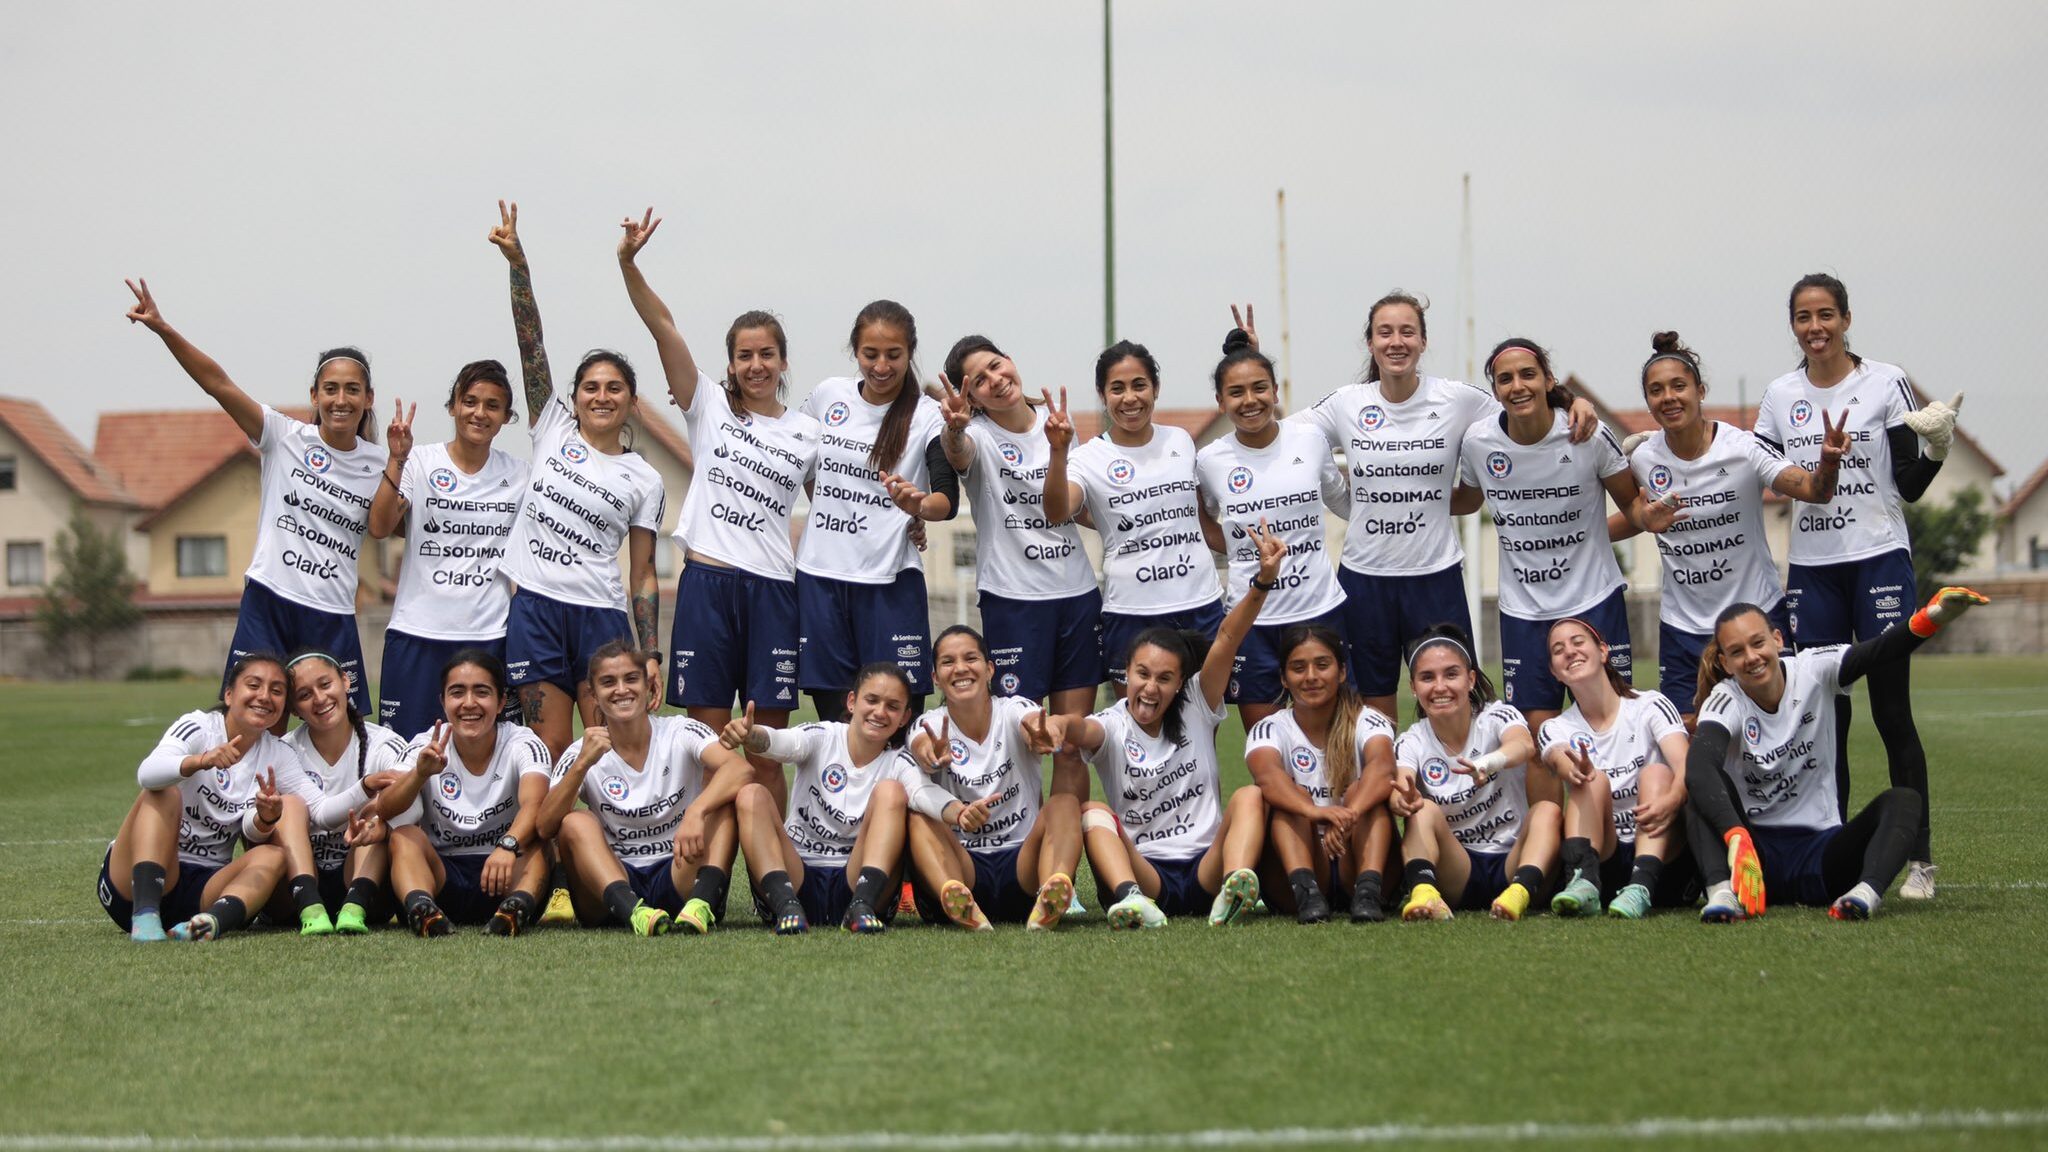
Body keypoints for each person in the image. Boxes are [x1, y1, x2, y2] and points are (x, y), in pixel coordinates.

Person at [1753, 273, 1964, 900]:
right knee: (1823, 716)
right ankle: (1834, 848)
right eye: (1802, 317)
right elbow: (1763, 471)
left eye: (1825, 315)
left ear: (1846, 318)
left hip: (1879, 562)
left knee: (1891, 709)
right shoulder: (1778, 395)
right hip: (1813, 573)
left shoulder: (1884, 381)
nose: (1815, 328)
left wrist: (1937, 449)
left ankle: (1919, 860)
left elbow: (1909, 483)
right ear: (1792, 325)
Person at [1296, 294, 1598, 718]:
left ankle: (1453, 785)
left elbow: (1524, 403)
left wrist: (1572, 402)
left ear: (1423, 341)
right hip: (1365, 581)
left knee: (1454, 705)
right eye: (1385, 332)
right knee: (1370, 713)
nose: (1396, 341)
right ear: (1370, 343)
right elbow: (1282, 434)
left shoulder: (1457, 399)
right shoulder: (1346, 402)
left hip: (1435, 578)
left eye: (1407, 331)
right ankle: (1385, 784)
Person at [616, 209, 819, 802]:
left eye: (767, 355)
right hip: (708, 583)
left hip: (775, 594)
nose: (756, 365)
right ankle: (703, 878)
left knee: (764, 748)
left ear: (782, 362)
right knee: (705, 744)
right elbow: (663, 327)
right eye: (745, 355)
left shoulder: (807, 432)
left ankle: (772, 888)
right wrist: (628, 263)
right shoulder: (707, 405)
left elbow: (833, 512)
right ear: (730, 363)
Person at [124, 280, 383, 722]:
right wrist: (164, 329)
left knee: (341, 731)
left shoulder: (382, 463)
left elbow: (393, 526)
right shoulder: (283, 436)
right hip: (269, 599)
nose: (341, 400)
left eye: (352, 390)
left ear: (367, 398)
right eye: (331, 389)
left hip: (331, 612)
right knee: (256, 720)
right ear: (315, 396)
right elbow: (218, 383)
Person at [1682, 589, 1985, 922]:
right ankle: (1722, 895)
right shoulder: (1725, 699)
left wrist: (1932, 618)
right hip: (1753, 861)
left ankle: (1863, 896)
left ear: (1778, 638)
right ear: (1725, 663)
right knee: (1699, 790)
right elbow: (1699, 768)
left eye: (1758, 643)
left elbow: (1878, 652)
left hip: (1820, 857)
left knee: (1904, 801)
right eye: (1737, 652)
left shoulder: (1812, 669)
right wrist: (1735, 835)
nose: (1751, 658)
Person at [1037, 524, 1286, 929]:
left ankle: (1233, 887)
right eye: (1142, 674)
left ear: (1179, 684)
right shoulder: (1113, 723)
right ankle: (1131, 900)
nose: (1150, 688)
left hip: (1206, 864)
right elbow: (1081, 730)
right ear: (1128, 673)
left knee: (1250, 797)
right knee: (1094, 811)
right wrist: (1059, 724)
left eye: (1164, 679)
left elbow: (1227, 636)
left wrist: (1261, 582)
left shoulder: (1198, 703)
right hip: (1145, 871)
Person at [489, 201, 665, 762]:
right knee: (550, 747)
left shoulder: (644, 478)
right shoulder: (551, 428)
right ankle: (547, 851)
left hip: (601, 618)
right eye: (591, 386)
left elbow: (641, 574)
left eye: (615, 388)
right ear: (574, 396)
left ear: (631, 403)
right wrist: (519, 264)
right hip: (536, 608)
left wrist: (652, 651)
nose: (602, 396)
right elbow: (530, 344)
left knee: (606, 750)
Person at [1616, 332, 1845, 723]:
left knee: (1778, 728)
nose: (1668, 397)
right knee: (1687, 738)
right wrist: (1575, 536)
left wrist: (1828, 462)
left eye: (1678, 386)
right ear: (1648, 402)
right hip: (1684, 629)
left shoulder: (1742, 448)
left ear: (1700, 391)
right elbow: (1635, 518)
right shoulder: (1642, 459)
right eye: (1656, 391)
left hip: (1755, 619)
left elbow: (1813, 490)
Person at [1458, 337, 1677, 737]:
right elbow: (1467, 501)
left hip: (1594, 602)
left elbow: (1631, 506)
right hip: (1524, 612)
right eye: (1505, 379)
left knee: (1613, 730)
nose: (1517, 386)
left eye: (1528, 374)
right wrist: (1405, 492)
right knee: (1536, 737)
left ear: (1548, 379)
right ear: (1495, 392)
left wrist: (1649, 516)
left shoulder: (1587, 434)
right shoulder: (1478, 443)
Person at [937, 337, 1099, 814]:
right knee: (1019, 741)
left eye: (995, 365)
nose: (995, 380)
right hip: (1013, 603)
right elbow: (958, 450)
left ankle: (1061, 876)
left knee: (1070, 744)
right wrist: (954, 429)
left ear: (1011, 360)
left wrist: (1060, 448)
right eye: (979, 381)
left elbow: (1071, 509)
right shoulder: (978, 437)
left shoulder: (1062, 429)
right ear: (971, 398)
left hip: (1076, 597)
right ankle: (1016, 859)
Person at [720, 663, 976, 934]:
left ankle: (862, 907)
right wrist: (751, 735)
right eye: (872, 700)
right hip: (797, 875)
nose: (880, 712)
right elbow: (781, 742)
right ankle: (786, 908)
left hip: (857, 881)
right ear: (852, 702)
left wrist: (959, 812)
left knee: (891, 791)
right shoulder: (823, 736)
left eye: (892, 706)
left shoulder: (899, 762)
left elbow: (923, 793)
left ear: (904, 717)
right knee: (751, 795)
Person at [796, 301, 959, 721]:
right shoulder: (827, 395)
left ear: (910, 353)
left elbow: (946, 498)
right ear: (855, 351)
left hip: (891, 583)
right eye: (871, 354)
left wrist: (917, 505)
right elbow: (790, 453)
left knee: (898, 719)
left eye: (893, 355)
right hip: (821, 579)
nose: (881, 366)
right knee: (836, 724)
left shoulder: (926, 416)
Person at [1197, 322, 1349, 731]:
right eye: (1236, 392)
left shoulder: (1310, 441)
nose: (1250, 400)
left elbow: (1344, 500)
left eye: (1259, 388)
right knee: (1266, 746)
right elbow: (1202, 520)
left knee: (1335, 742)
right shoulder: (1209, 460)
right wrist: (1241, 551)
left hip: (1319, 611)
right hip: (1251, 624)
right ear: (1220, 400)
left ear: (1275, 391)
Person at [533, 641, 743, 936]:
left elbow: (740, 769)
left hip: (679, 871)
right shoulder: (582, 751)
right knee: (575, 821)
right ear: (593, 694)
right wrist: (582, 765)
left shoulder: (680, 731)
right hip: (613, 885)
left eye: (631, 679)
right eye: (608, 682)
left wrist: (697, 810)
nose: (621, 690)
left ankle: (701, 904)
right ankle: (635, 912)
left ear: (649, 686)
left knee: (724, 799)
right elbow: (545, 826)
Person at [1045, 340, 1223, 685]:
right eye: (1117, 388)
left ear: (1155, 389)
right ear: (1103, 395)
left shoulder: (1181, 441)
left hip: (1199, 605)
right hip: (1131, 613)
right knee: (1136, 730)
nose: (1130, 398)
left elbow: (1202, 522)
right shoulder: (1088, 458)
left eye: (1139, 385)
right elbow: (1057, 512)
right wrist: (1057, 453)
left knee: (1200, 725)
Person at [367, 360, 528, 739]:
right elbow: (379, 527)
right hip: (417, 633)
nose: (479, 413)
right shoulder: (419, 461)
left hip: (489, 635)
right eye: (469, 401)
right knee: (403, 756)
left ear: (506, 417)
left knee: (488, 758)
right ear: (453, 405)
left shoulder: (521, 475)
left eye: (492, 405)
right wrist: (396, 458)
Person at [96, 653, 296, 942]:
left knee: (273, 855)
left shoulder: (279, 754)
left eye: (277, 691)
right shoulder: (200, 726)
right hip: (134, 882)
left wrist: (266, 817)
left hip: (205, 887)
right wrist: (201, 760)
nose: (264, 696)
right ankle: (146, 916)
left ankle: (208, 924)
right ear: (229, 694)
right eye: (254, 685)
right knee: (164, 791)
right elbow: (147, 773)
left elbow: (316, 807)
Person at [901, 625, 1083, 931]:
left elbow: (1031, 723)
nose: (960, 668)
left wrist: (1041, 733)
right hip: (964, 867)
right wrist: (931, 754)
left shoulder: (1013, 707)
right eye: (947, 662)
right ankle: (956, 900)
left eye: (970, 658)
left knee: (1064, 802)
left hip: (1023, 866)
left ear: (989, 670)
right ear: (935, 677)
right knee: (917, 817)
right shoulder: (930, 724)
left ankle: (1050, 894)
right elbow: (921, 746)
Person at [377, 650, 555, 936]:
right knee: (403, 836)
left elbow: (535, 804)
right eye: (457, 693)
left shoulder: (523, 742)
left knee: (538, 841)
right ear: (443, 702)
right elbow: (384, 808)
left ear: (500, 703)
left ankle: (514, 910)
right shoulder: (425, 744)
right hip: (442, 875)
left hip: (504, 870)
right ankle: (422, 909)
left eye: (482, 692)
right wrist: (419, 774)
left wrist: (508, 845)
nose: (469, 704)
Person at [1391, 625, 1561, 921]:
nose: (1440, 686)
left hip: (1513, 859)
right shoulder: (1412, 740)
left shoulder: (1495, 716)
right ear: (1413, 688)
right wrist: (1401, 799)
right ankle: (1424, 893)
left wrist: (1488, 763)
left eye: (1451, 674)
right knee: (1422, 811)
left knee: (1547, 810)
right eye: (1427, 677)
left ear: (1470, 680)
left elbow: (1523, 745)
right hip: (1458, 869)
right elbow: (1400, 784)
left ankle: (1520, 894)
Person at [1534, 619, 1693, 920]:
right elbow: (1556, 755)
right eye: (1558, 650)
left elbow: (1686, 764)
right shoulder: (1554, 727)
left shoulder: (1650, 705)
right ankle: (1583, 881)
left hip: (1664, 861)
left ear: (1603, 651)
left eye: (1578, 642)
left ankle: (1641, 886)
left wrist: (1672, 800)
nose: (1569, 651)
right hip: (1606, 862)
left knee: (1657, 774)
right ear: (1555, 672)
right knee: (1591, 779)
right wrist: (1573, 769)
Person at [1243, 625, 1398, 923]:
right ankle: (1308, 895)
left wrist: (1349, 814)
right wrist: (1315, 813)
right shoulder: (1271, 728)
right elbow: (1268, 778)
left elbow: (1383, 768)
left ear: (1341, 672)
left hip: (1356, 850)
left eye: (1322, 665)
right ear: (1283, 679)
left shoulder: (1369, 720)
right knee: (1291, 799)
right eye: (1298, 668)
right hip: (1302, 859)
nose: (1311, 676)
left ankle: (1368, 893)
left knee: (1363, 793)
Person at [278, 650, 414, 933]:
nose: (319, 699)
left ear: (345, 681)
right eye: (304, 695)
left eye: (325, 685)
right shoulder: (285, 749)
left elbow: (413, 809)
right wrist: (365, 787)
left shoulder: (384, 743)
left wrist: (377, 817)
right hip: (298, 886)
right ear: (293, 709)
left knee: (381, 809)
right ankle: (311, 906)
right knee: (287, 805)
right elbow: (317, 814)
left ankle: (354, 908)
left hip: (366, 882)